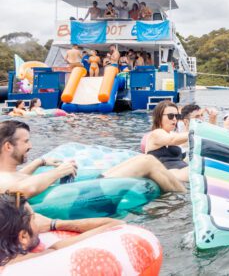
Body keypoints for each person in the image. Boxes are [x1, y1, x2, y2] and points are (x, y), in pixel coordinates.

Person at [0, 120, 185, 197]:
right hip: (80, 194)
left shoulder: (8, 173)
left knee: (131, 162)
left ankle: (179, 192)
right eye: (25, 142)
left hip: (79, 187)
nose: (30, 146)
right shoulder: (3, 180)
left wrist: (40, 162)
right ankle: (183, 197)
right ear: (8, 147)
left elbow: (21, 176)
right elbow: (23, 190)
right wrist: (57, 172)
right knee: (148, 162)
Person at [0, 193, 123, 268]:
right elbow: (115, 224)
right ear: (23, 237)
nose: (37, 220)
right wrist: (54, 223)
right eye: (34, 217)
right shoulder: (47, 257)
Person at [144, 101, 189, 182]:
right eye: (170, 116)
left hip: (181, 172)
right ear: (159, 117)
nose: (175, 119)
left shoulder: (173, 134)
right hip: (168, 174)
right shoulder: (156, 134)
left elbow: (186, 142)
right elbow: (173, 140)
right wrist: (196, 132)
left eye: (177, 116)